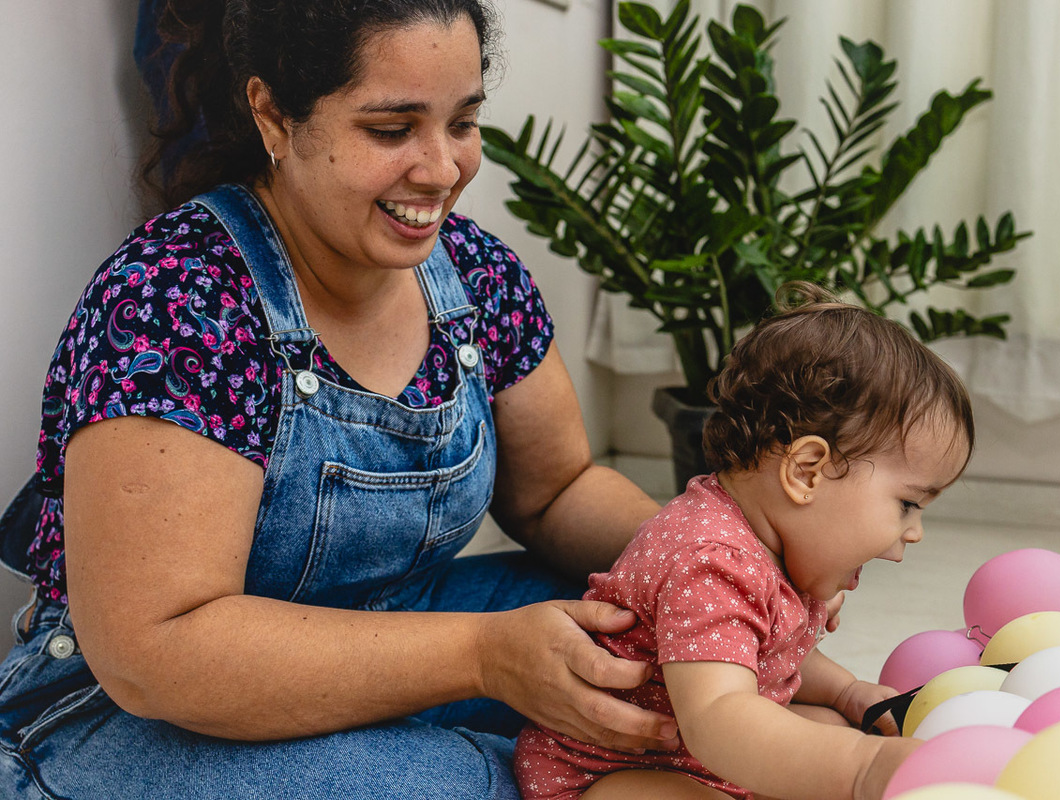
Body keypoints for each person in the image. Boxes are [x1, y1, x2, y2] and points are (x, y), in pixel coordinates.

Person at [0, 2, 689, 797]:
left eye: (462, 121)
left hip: (394, 619)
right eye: (392, 130)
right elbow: (158, 654)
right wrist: (483, 657)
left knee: (668, 645)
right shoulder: (179, 299)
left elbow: (558, 489)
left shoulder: (475, 272)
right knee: (477, 786)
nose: (441, 169)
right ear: (272, 115)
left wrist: (706, 553)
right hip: (134, 714)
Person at [514, 283, 975, 800]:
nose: (914, 532)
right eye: (908, 504)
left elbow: (767, 653)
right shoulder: (711, 563)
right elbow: (718, 714)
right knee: (835, 756)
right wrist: (862, 770)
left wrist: (846, 692)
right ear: (806, 472)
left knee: (831, 724)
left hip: (691, 754)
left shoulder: (771, 541)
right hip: (612, 770)